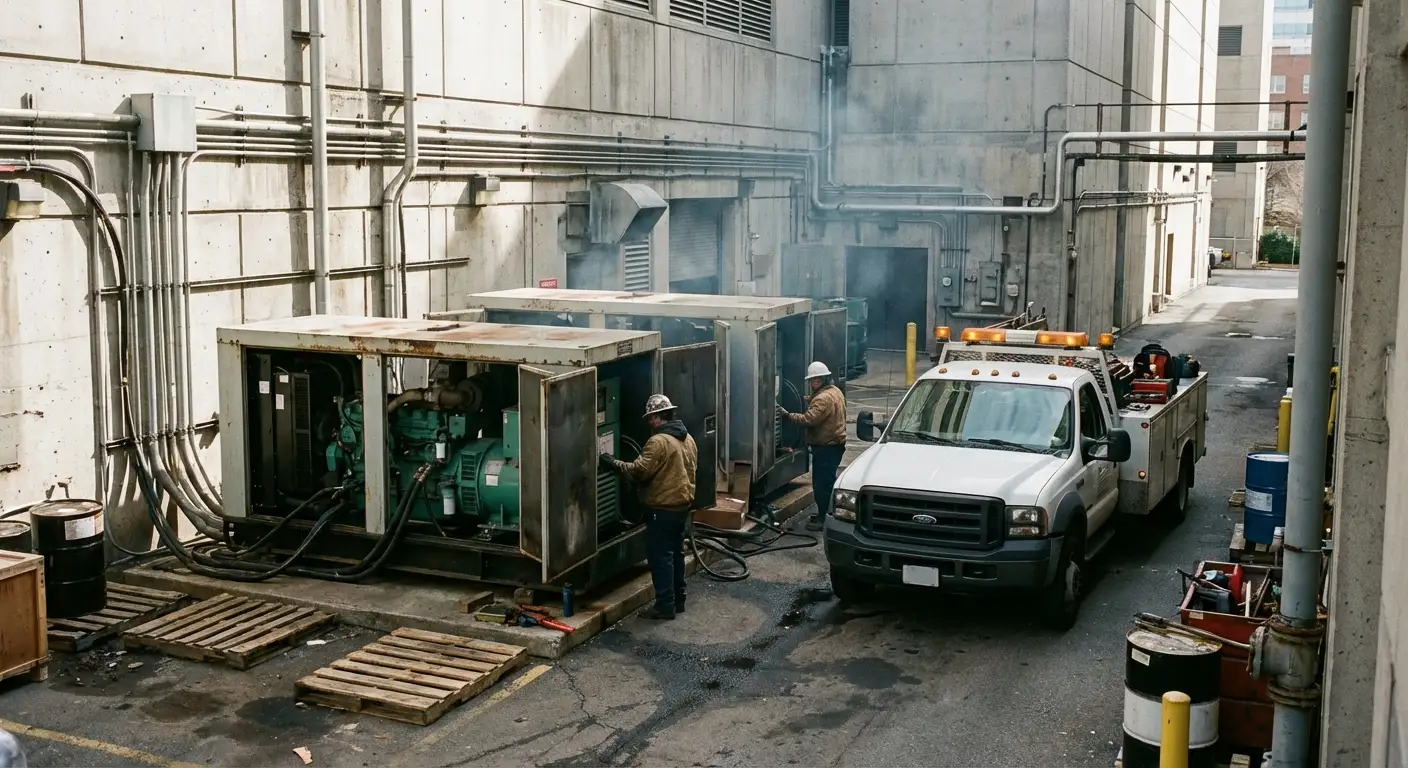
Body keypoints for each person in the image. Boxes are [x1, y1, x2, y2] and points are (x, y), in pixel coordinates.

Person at [601, 394, 698, 620]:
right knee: (675, 554)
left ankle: (665, 606)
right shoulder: (688, 438)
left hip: (662, 510)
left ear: (657, 417)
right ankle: (679, 600)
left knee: (660, 557)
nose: (648, 423)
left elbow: (638, 471)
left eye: (649, 418)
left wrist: (613, 463)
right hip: (681, 507)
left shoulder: (659, 442)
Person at [779, 362, 847, 532]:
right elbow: (819, 404)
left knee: (821, 485)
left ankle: (823, 519)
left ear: (818, 380)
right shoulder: (834, 391)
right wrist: (805, 399)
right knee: (828, 482)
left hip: (826, 448)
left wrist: (787, 415)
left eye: (812, 381)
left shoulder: (823, 399)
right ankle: (827, 514)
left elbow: (809, 419)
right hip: (835, 446)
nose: (811, 384)